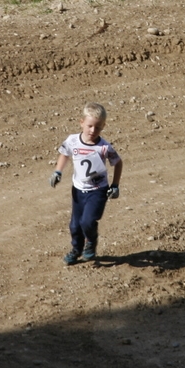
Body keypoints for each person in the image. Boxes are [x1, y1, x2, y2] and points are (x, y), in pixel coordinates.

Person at [50, 102, 123, 264]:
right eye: (90, 126)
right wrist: (58, 171)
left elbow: (117, 162)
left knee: (87, 221)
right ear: (81, 122)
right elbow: (64, 154)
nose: (93, 131)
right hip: (77, 190)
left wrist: (115, 185)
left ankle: (90, 241)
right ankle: (76, 249)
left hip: (98, 191)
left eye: (98, 128)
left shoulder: (104, 147)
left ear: (103, 126)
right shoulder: (72, 141)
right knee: (75, 225)